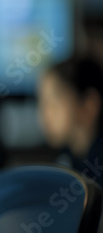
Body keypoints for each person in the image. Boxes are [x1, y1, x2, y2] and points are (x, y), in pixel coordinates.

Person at [37, 54, 103, 184]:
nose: (44, 115)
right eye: (42, 103)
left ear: (89, 106)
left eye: (54, 103)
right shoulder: (67, 160)